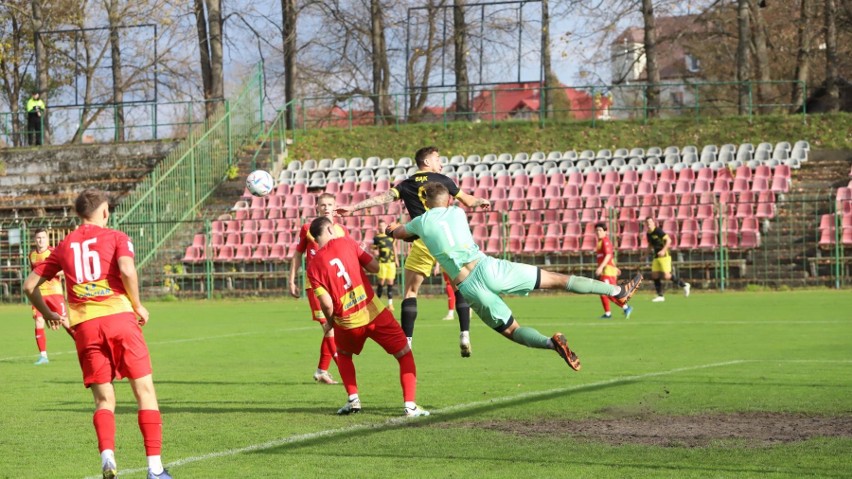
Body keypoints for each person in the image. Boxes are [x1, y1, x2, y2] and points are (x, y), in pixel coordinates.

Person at [388, 182, 643, 371]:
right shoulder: (457, 213)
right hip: (489, 268)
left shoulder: (420, 222)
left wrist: (391, 229)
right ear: (447, 200)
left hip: (468, 286)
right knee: (557, 279)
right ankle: (617, 292)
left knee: (512, 330)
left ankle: (550, 343)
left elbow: (400, 232)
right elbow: (465, 202)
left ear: (426, 202)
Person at [23, 189, 172, 479]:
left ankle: (107, 456)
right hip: (119, 319)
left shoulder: (63, 246)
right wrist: (138, 305)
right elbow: (127, 269)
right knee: (144, 392)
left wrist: (51, 312)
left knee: (104, 400)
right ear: (104, 211)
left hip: (86, 328)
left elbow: (30, 286)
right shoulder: (116, 237)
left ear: (80, 214)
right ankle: (154, 469)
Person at [337, 146, 491, 357]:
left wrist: (353, 208)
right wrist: (481, 201)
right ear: (427, 162)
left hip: (421, 240)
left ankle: (407, 342)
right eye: (438, 159)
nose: (441, 163)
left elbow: (382, 198)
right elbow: (469, 201)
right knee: (460, 287)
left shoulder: (406, 185)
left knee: (410, 292)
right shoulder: (443, 180)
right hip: (447, 241)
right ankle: (464, 333)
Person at [306, 216, 429, 417]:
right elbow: (375, 268)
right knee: (404, 353)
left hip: (346, 321)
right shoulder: (347, 242)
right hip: (373, 312)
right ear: (329, 230)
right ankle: (410, 405)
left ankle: (353, 399)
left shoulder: (313, 267)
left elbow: (327, 304)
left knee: (344, 355)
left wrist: (330, 323)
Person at [289, 192, 345, 384]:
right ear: (317, 207)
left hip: (335, 286)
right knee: (329, 330)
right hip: (314, 286)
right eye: (323, 205)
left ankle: (321, 370)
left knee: (333, 328)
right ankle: (345, 372)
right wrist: (291, 280)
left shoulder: (341, 231)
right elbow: (297, 254)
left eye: (330, 204)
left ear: (335, 207)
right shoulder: (308, 229)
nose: (326, 207)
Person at [28, 228, 74, 364]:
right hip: (39, 294)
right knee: (38, 321)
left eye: (43, 237)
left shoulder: (53, 252)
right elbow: (33, 275)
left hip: (55, 293)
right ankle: (43, 356)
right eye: (38, 238)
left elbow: (64, 270)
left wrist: (47, 272)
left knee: (65, 322)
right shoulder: (32, 255)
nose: (40, 240)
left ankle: (82, 346)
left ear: (47, 239)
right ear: (34, 240)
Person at [644, 217, 691, 302]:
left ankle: (684, 285)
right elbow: (650, 245)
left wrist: (663, 250)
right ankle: (660, 296)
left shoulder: (658, 231)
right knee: (654, 275)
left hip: (664, 256)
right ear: (645, 224)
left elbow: (668, 240)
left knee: (666, 275)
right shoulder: (648, 234)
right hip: (656, 256)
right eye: (647, 223)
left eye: (650, 222)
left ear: (653, 223)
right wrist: (645, 255)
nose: (649, 224)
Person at [594, 223, 633, 319]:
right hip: (607, 270)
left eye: (600, 230)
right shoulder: (600, 242)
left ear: (605, 231)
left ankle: (626, 307)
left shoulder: (605, 241)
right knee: (603, 293)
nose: (598, 232)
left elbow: (608, 255)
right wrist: (615, 267)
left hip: (608, 271)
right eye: (597, 230)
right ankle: (608, 314)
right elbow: (609, 257)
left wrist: (600, 267)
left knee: (608, 292)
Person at [372, 219, 399, 312]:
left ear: (385, 226)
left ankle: (390, 304)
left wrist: (396, 259)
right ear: (378, 227)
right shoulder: (376, 238)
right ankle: (378, 304)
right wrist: (374, 252)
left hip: (390, 262)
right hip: (382, 263)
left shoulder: (391, 236)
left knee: (390, 283)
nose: (381, 227)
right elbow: (374, 249)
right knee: (381, 283)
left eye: (383, 225)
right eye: (380, 226)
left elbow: (394, 247)